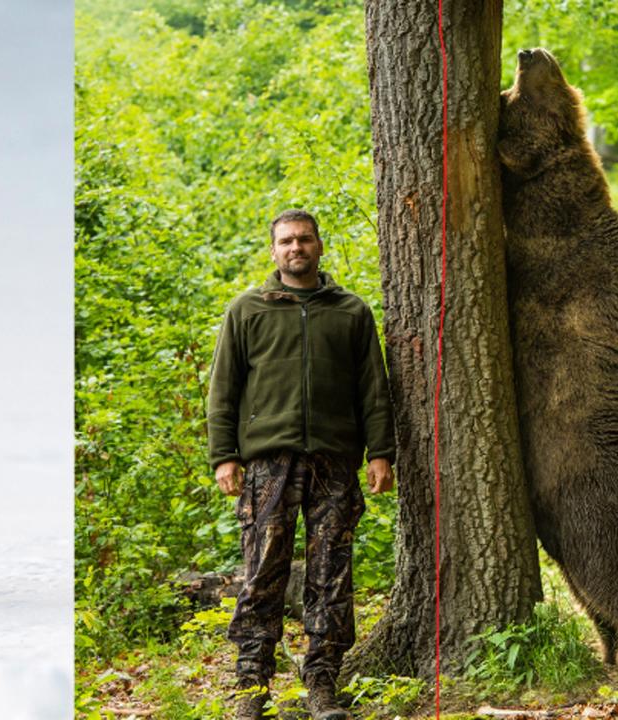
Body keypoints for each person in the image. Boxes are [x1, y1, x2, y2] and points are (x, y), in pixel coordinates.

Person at [206, 209, 396, 720]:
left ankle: (323, 684)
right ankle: (251, 685)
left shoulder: (350, 312)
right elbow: (223, 392)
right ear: (274, 251)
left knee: (331, 572)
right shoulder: (247, 310)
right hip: (268, 464)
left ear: (318, 246)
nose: (296, 248)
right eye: (286, 241)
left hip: (334, 462)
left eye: (304, 239)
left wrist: (381, 452)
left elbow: (373, 390)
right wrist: (224, 456)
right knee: (262, 572)